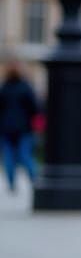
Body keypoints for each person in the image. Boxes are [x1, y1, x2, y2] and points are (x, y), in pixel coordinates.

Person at [0, 64, 39, 193]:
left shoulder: (4, 88)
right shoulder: (25, 88)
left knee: (8, 156)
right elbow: (35, 107)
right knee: (25, 155)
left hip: (6, 128)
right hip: (23, 128)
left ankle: (11, 185)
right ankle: (35, 179)